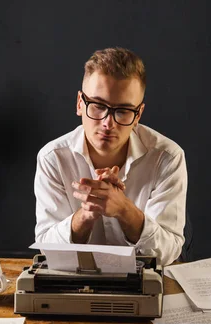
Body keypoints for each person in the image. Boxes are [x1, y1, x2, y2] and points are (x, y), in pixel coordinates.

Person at [34, 47, 187, 266]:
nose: (108, 123)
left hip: (146, 284)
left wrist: (124, 209)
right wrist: (86, 214)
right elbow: (47, 250)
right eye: (97, 106)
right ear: (80, 103)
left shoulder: (168, 158)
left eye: (123, 111)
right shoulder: (53, 158)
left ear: (138, 115)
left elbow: (168, 251)